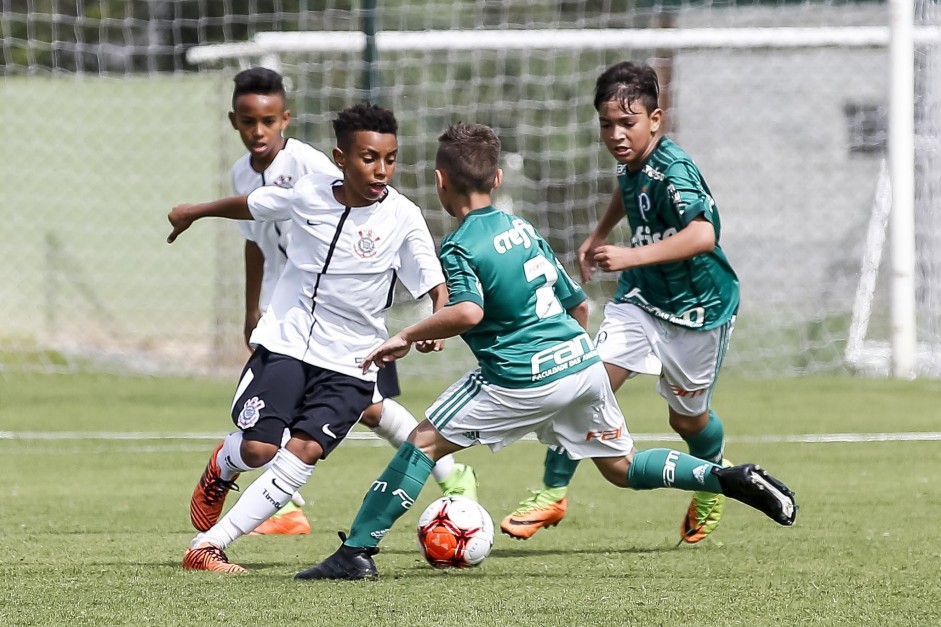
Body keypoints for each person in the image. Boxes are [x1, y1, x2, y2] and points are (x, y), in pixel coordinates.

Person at [294, 123, 797, 581]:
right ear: (495, 178)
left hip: (518, 376)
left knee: (422, 443)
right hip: (581, 365)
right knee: (622, 468)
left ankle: (356, 552)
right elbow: (577, 306)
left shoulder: (460, 244)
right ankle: (725, 476)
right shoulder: (524, 229)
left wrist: (406, 334)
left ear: (440, 181)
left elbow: (467, 312)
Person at [168, 103, 470, 574]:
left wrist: (437, 319)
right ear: (341, 157)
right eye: (369, 158)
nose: (381, 170)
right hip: (286, 341)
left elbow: (434, 281)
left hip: (353, 360)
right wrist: (195, 211)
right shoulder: (307, 192)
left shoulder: (403, 217)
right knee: (257, 450)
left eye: (390, 159)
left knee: (303, 451)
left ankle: (208, 546)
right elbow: (253, 205)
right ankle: (223, 465)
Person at [500, 61, 743, 545]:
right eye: (606, 124)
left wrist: (631, 252)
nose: (615, 134)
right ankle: (552, 494)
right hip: (641, 299)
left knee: (686, 419)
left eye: (626, 123)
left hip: (698, 310)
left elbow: (703, 233)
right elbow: (627, 187)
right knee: (582, 383)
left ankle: (714, 478)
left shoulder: (674, 167)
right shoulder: (631, 159)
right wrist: (599, 232)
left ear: (656, 120)